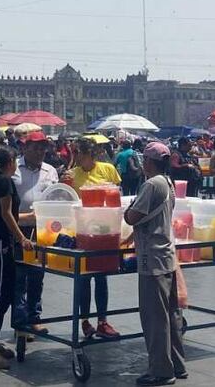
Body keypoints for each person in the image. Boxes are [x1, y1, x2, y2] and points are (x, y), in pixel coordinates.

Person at [125, 141, 186, 386]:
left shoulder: (152, 184)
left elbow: (132, 216)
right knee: (170, 314)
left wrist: (128, 211)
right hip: (166, 255)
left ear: (149, 162)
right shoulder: (168, 182)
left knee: (155, 318)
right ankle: (177, 365)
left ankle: (161, 371)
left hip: (152, 257)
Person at [0, 147, 34, 370]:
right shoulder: (4, 181)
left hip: (0, 241)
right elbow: (6, 213)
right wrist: (22, 238)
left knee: (4, 293)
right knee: (0, 295)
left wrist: (31, 216)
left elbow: (11, 213)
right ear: (10, 162)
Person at [63, 137, 122, 338]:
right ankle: (85, 321)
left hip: (104, 230)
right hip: (82, 230)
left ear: (91, 154)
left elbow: (116, 196)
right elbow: (67, 200)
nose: (76, 157)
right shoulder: (72, 174)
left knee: (101, 276)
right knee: (83, 278)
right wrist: (64, 183)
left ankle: (103, 321)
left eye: (79, 152)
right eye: (74, 152)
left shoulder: (108, 169)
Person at [11, 131, 58, 335]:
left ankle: (34, 317)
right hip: (19, 227)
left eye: (43, 148)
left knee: (37, 276)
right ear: (24, 148)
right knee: (19, 277)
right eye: (36, 148)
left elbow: (56, 197)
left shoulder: (50, 171)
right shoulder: (14, 169)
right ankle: (20, 322)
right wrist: (22, 217)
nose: (40, 152)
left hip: (41, 230)